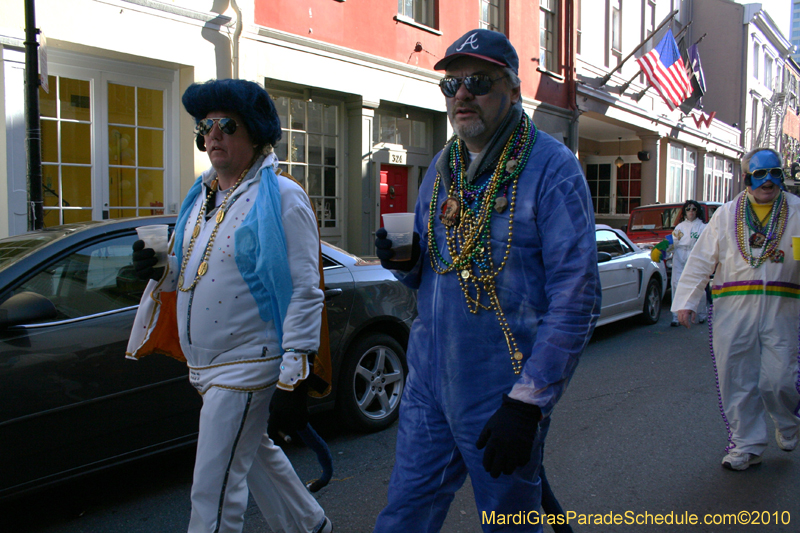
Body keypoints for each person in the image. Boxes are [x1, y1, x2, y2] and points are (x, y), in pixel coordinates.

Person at [372, 30, 601, 532]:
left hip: (503, 389)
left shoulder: (553, 169)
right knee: (404, 512)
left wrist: (528, 403)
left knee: (509, 522)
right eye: (450, 85)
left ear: (513, 90)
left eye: (477, 82)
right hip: (428, 382)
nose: (461, 95)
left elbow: (577, 297)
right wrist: (403, 261)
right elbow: (429, 274)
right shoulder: (443, 166)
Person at [127, 79, 332, 533]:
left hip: (247, 364)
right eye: (205, 126)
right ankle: (309, 525)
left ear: (255, 133)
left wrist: (295, 374)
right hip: (204, 365)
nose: (213, 134)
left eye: (227, 125)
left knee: (212, 489)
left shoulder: (282, 196)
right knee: (255, 456)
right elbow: (190, 271)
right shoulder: (201, 196)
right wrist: (158, 268)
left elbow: (304, 289)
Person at [672, 147, 800, 471]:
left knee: (781, 378)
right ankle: (746, 445)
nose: (768, 181)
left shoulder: (797, 212)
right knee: (736, 376)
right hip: (733, 307)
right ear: (746, 178)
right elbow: (702, 259)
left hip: (783, 307)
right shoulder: (727, 214)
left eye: (775, 174)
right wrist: (687, 301)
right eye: (760, 174)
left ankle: (787, 421)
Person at [651, 199, 708, 326]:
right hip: (679, 256)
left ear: (697, 211)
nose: (691, 211)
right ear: (684, 212)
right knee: (676, 285)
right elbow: (673, 242)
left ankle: (701, 313)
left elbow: (707, 244)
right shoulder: (680, 227)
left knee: (697, 286)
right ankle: (676, 317)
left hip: (695, 257)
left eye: (693, 209)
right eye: (688, 209)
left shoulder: (703, 227)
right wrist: (662, 248)